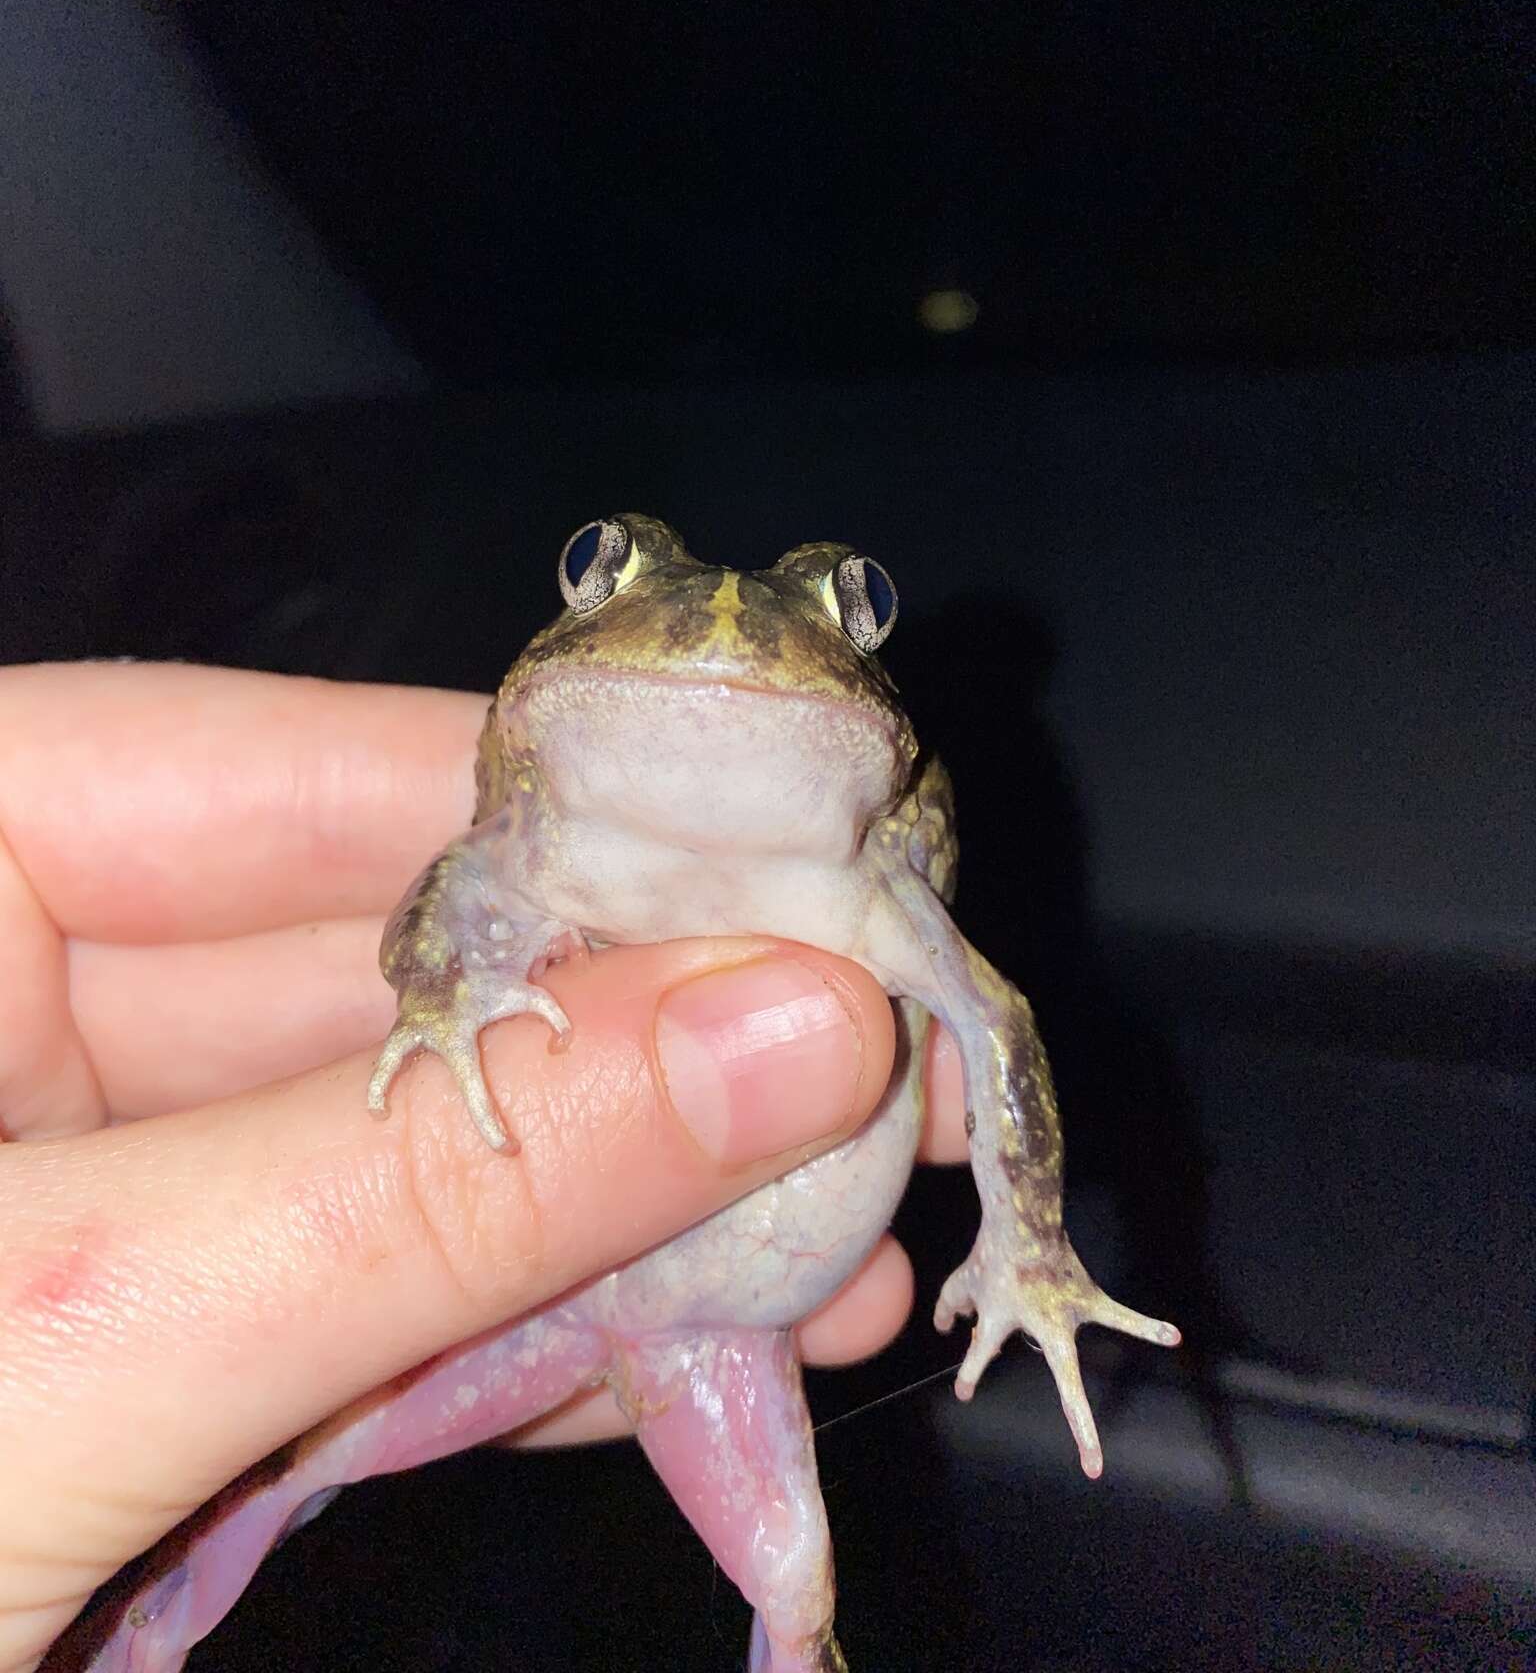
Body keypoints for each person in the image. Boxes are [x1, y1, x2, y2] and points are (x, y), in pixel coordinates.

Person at [0, 662, 966, 1671]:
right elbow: (430, 915)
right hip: (548, 1297)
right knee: (283, 1466)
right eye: (602, 566)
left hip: (710, 1326)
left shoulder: (867, 877)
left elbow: (996, 1026)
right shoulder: (550, 845)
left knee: (795, 1583)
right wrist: (437, 1008)